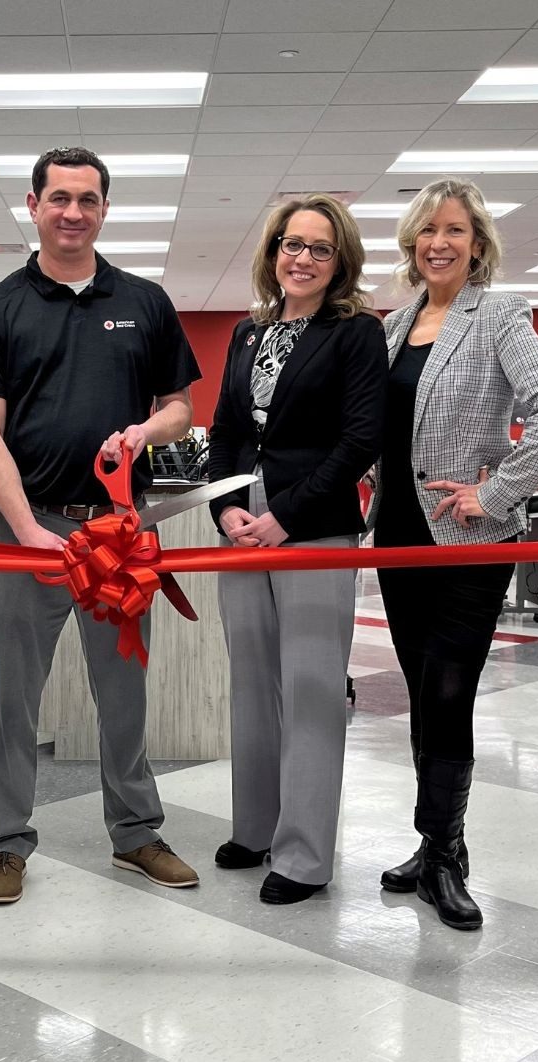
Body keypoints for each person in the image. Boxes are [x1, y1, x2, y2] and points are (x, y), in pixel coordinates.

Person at [0, 146, 202, 905]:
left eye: (87, 200)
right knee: (15, 696)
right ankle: (8, 842)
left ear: (104, 210)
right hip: (27, 532)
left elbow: (181, 408)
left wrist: (144, 433)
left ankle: (136, 833)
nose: (72, 212)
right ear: (33, 206)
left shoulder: (146, 301)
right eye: (58, 198)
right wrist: (25, 527)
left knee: (124, 690)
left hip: (119, 530)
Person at [371, 178, 538, 930]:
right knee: (423, 693)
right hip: (396, 537)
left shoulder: (497, 315)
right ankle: (430, 844)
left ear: (477, 242)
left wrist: (496, 496)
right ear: (412, 241)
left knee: (451, 690)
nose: (439, 242)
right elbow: (386, 429)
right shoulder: (393, 325)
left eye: (454, 230)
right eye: (428, 230)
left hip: (467, 540)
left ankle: (448, 854)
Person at [208, 194, 387, 905]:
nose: (302, 258)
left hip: (312, 523)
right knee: (252, 681)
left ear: (339, 260)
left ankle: (305, 854)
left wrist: (282, 515)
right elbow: (226, 428)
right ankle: (255, 828)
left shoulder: (355, 333)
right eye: (291, 243)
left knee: (310, 688)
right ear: (273, 251)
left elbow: (358, 441)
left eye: (319, 247)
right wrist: (226, 508)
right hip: (242, 523)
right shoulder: (249, 334)